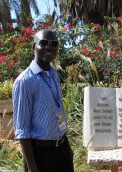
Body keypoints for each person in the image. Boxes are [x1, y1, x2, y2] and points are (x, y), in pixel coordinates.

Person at [12, 29, 74, 172]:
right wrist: (32, 167)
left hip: (62, 149)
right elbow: (22, 129)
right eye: (44, 43)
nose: (49, 47)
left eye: (54, 44)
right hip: (41, 154)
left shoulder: (54, 76)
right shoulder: (24, 82)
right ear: (34, 47)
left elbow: (58, 113)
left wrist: (68, 148)